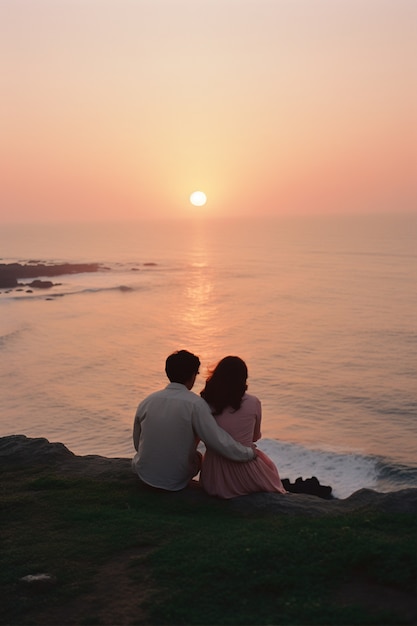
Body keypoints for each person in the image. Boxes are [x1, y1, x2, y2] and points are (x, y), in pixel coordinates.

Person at [132, 350, 256, 491]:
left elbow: (138, 443)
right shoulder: (195, 404)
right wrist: (248, 453)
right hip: (175, 480)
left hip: (144, 473)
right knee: (198, 457)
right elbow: (217, 441)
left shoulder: (147, 401)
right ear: (192, 376)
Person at [200, 356, 287, 499]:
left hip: (213, 477)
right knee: (269, 469)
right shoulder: (253, 402)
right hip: (245, 468)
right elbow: (255, 437)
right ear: (243, 378)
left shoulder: (205, 403)